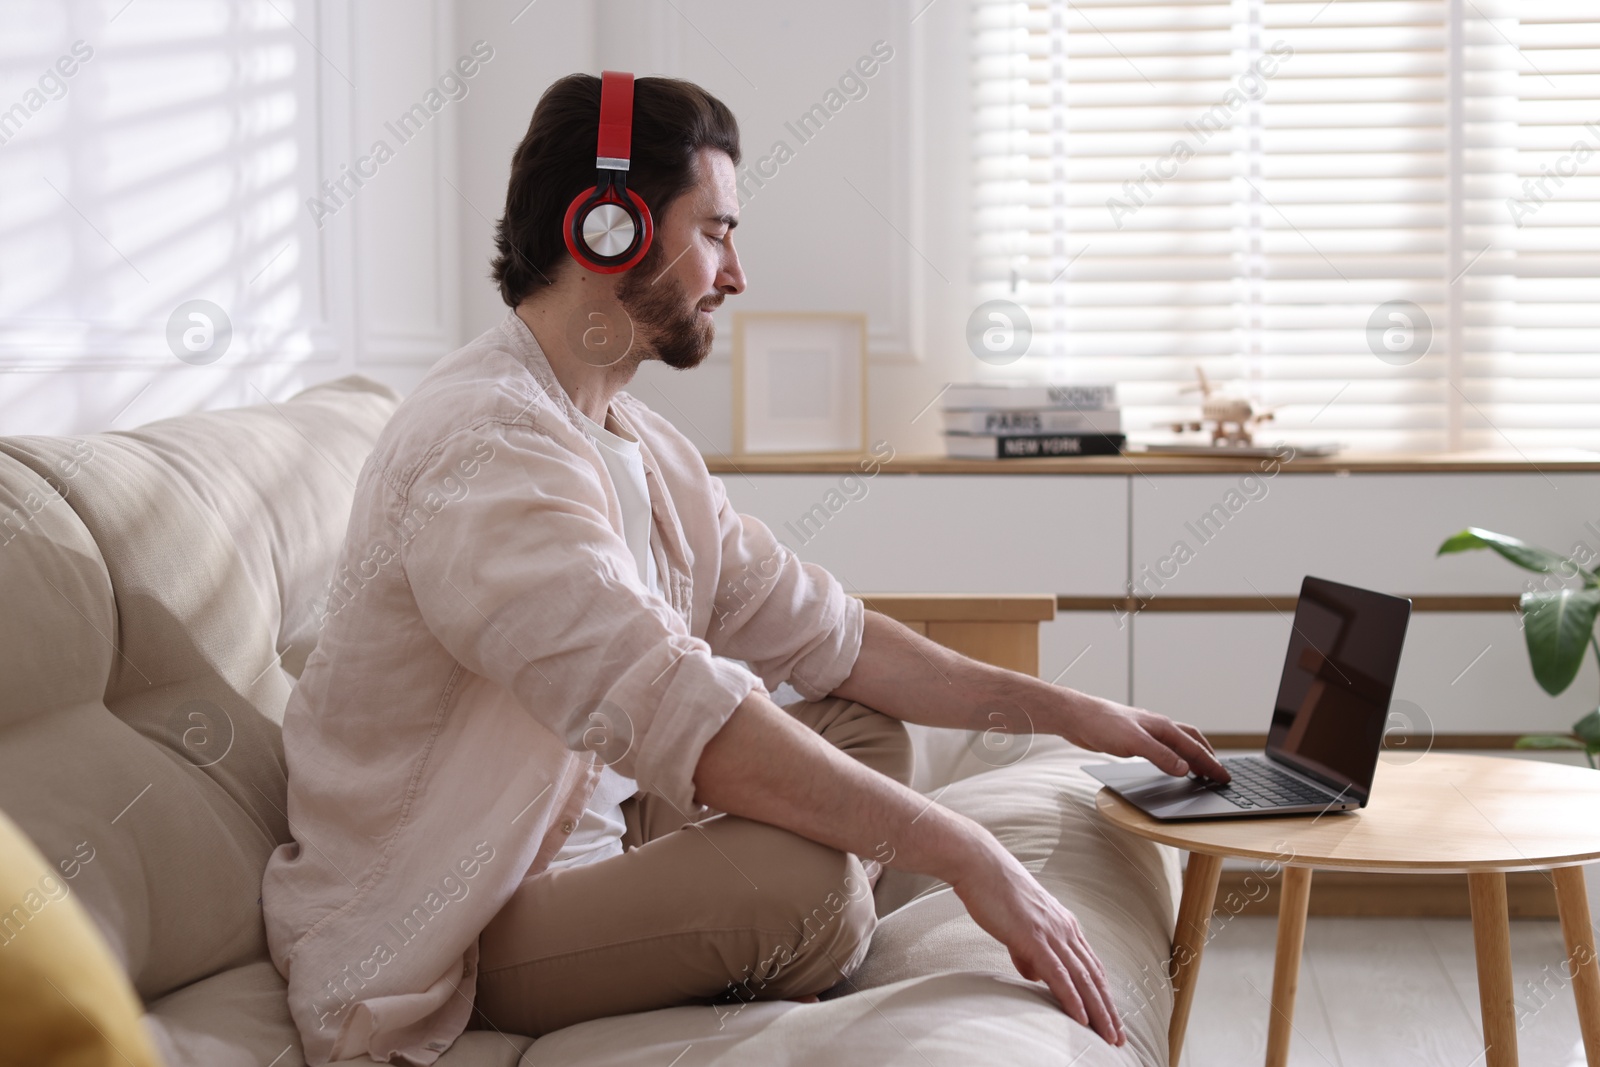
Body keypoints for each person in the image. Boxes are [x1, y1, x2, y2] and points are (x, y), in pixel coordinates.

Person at [261, 71, 1230, 1067]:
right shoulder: (486, 444)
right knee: (804, 888)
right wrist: (962, 848)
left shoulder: (632, 438)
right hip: (455, 912)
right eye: (716, 230)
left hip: (594, 824)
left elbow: (823, 630)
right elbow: (665, 697)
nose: (735, 273)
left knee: (860, 728)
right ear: (609, 227)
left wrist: (1070, 712)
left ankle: (763, 903)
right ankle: (794, 916)